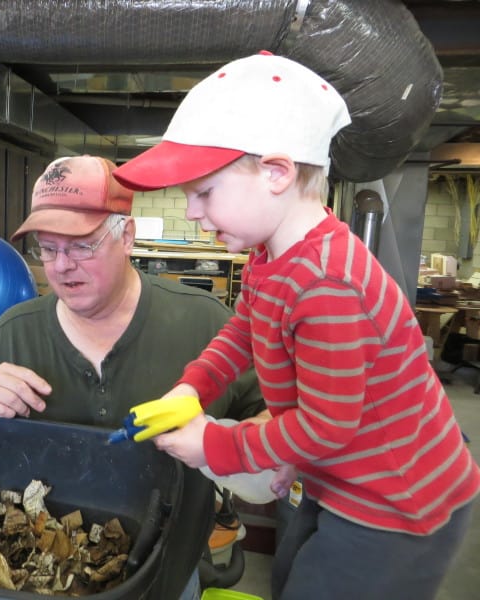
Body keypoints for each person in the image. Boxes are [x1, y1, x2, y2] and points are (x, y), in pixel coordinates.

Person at [112, 51, 480, 600]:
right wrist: (195, 388)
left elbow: (329, 424)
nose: (192, 212)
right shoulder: (272, 258)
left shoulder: (326, 284)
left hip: (395, 504)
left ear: (277, 173)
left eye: (204, 193)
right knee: (291, 581)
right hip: (337, 476)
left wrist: (218, 444)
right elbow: (243, 332)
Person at [0, 154, 267, 598]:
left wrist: (225, 441)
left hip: (169, 576)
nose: (61, 265)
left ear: (127, 236)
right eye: (48, 247)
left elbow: (276, 423)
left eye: (81, 245)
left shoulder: (207, 326)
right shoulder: (11, 335)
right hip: (39, 578)